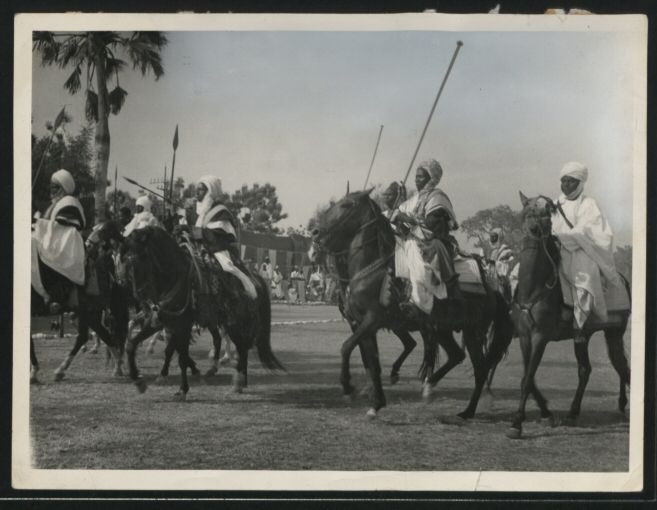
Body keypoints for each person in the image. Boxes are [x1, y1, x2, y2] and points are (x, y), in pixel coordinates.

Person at [551, 161, 623, 342]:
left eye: (571, 181)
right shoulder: (554, 204)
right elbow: (550, 226)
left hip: (582, 251)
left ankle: (579, 324)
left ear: (580, 183)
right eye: (564, 181)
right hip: (558, 249)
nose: (566, 185)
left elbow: (593, 232)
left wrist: (568, 236)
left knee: (585, 277)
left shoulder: (590, 204)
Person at [390, 159, 460, 316]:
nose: (416, 180)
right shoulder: (414, 198)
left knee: (419, 268)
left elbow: (432, 227)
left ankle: (420, 303)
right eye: (416, 176)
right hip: (412, 240)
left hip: (430, 242)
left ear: (431, 178)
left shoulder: (438, 197)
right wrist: (400, 202)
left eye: (421, 176)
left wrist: (405, 218)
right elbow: (400, 216)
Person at [193, 175, 257, 299]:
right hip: (196, 247)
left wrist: (198, 232)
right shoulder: (196, 211)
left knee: (227, 267)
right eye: (197, 189)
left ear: (209, 192)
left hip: (216, 248)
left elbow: (218, 234)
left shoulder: (220, 211)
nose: (197, 192)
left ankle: (243, 289)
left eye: (200, 189)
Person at [31, 169, 86, 312]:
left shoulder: (69, 201)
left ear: (63, 188)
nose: (51, 189)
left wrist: (38, 223)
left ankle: (49, 295)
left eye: (55, 187)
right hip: (53, 239)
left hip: (66, 243)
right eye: (51, 186)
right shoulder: (55, 203)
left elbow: (65, 228)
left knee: (31, 243)